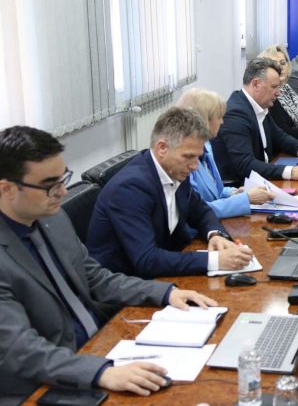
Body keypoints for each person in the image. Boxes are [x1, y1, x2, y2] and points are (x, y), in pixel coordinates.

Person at [0, 126, 217, 402]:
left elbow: (95, 277)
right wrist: (101, 372)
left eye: (63, 178)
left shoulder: (52, 218)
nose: (63, 191)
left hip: (102, 344)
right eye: (50, 185)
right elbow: (20, 349)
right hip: (42, 381)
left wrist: (165, 293)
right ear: (7, 189)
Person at [88, 107, 253, 278]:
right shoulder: (129, 188)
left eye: (197, 157)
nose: (195, 166)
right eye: (188, 156)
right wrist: (215, 260)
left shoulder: (175, 170)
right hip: (126, 284)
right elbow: (147, 260)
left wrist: (215, 235)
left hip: (163, 270)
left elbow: (201, 211)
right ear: (162, 148)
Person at [211, 58, 298, 184]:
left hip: (262, 179)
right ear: (256, 84)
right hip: (241, 187)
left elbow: (279, 137)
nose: (278, 93)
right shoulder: (235, 114)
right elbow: (245, 164)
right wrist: (290, 172)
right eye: (274, 87)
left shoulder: (259, 104)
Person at [176, 88, 276, 218]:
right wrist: (245, 199)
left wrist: (235, 193)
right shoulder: (183, 159)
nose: (222, 122)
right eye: (219, 117)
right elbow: (197, 210)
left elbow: (217, 191)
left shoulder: (206, 146)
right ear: (204, 120)